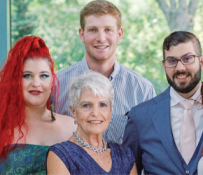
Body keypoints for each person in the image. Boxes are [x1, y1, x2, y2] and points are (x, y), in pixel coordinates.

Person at [0, 36, 77, 174]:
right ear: (15, 81)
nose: (36, 83)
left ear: (52, 81)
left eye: (43, 76)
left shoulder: (72, 127)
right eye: (27, 75)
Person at [56, 0, 155, 144]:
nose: (101, 38)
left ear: (119, 34)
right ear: (81, 34)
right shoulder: (57, 85)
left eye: (108, 30)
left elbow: (150, 146)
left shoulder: (142, 90)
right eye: (93, 30)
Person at [123, 31, 203, 174]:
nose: (180, 68)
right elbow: (127, 170)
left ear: (202, 61)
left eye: (187, 58)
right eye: (172, 61)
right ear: (164, 66)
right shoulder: (140, 116)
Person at [46, 73, 137, 174]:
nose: (96, 113)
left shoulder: (125, 155)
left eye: (103, 105)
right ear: (73, 111)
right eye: (86, 105)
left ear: (110, 111)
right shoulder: (61, 155)